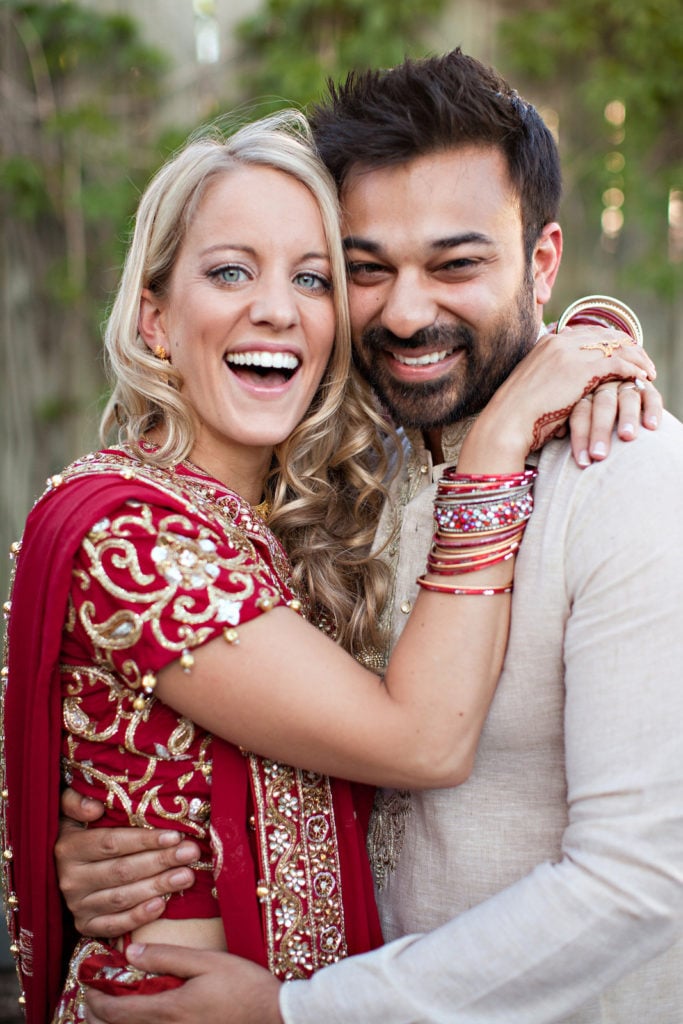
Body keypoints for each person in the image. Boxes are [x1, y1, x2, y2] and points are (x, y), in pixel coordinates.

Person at [51, 52, 682, 1024]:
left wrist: (307, 1009)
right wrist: (122, 839)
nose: (406, 310)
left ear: (543, 261)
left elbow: (639, 877)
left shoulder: (627, 477)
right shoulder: (348, 476)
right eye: (363, 269)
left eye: (456, 263)